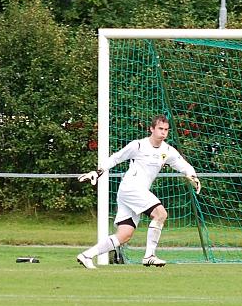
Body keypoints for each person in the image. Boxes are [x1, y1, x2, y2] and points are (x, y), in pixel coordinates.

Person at [77, 114, 201, 269]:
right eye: (160, 129)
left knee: (124, 236)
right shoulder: (138, 146)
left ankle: (86, 255)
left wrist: (192, 176)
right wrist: (99, 171)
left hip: (132, 192)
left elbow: (183, 165)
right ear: (151, 129)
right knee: (161, 214)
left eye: (166, 130)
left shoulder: (167, 150)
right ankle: (149, 255)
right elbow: (116, 158)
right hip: (131, 187)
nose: (163, 132)